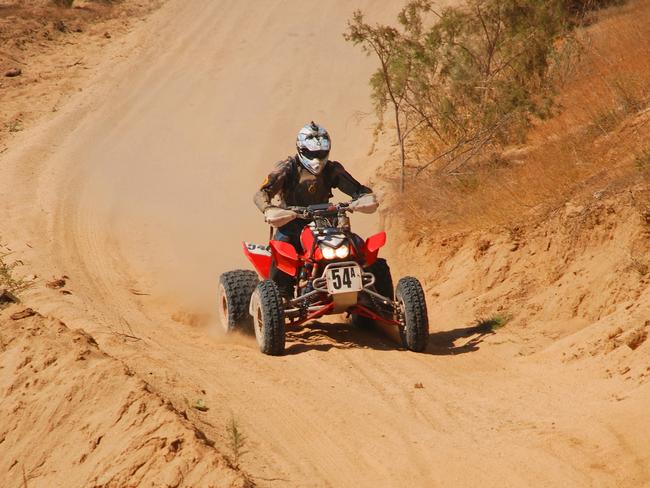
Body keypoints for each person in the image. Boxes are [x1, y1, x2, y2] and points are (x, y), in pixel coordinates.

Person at [253, 121, 378, 297]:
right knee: (282, 249)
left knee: (358, 246)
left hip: (326, 221)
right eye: (311, 154)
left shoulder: (332, 169)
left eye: (321, 153)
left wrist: (364, 198)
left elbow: (357, 189)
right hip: (291, 222)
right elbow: (261, 193)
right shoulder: (288, 168)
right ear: (301, 150)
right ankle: (278, 298)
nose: (317, 159)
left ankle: (375, 295)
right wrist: (268, 209)